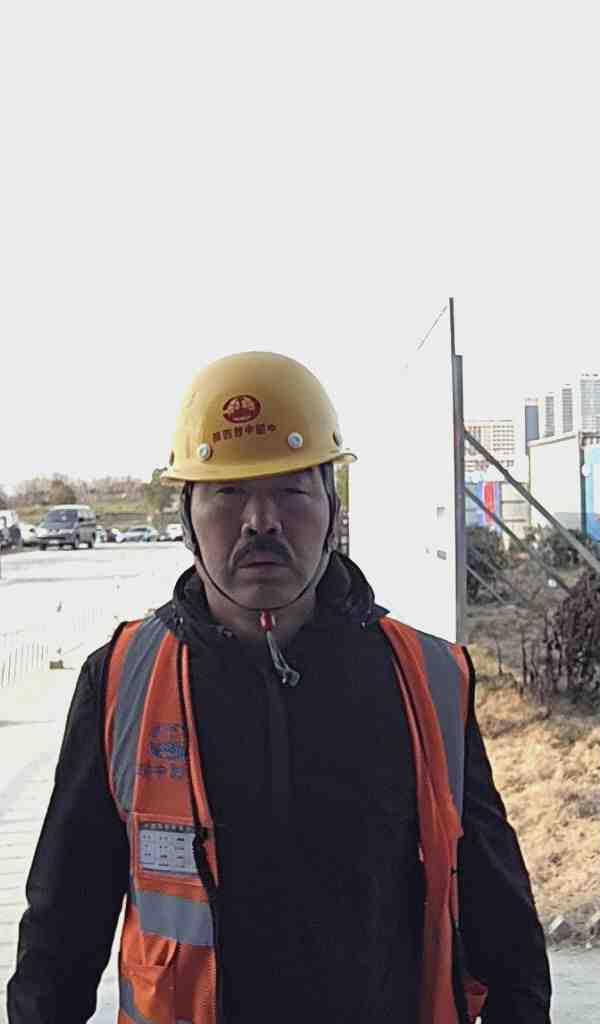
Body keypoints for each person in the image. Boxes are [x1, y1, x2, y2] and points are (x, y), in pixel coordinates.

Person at [8, 351, 551, 1023]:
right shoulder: (123, 682)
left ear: (331, 507)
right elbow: (59, 940)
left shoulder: (427, 679)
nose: (260, 521)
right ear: (187, 515)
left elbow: (507, 940)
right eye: (228, 493)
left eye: (291, 491)